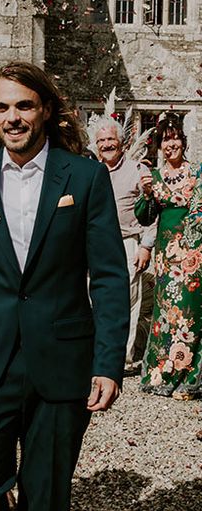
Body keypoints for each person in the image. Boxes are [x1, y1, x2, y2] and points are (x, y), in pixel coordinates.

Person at [0, 61, 130, 511]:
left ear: (46, 110)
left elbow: (111, 277)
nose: (13, 117)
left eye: (24, 105)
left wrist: (108, 363)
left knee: (47, 494)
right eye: (2, 106)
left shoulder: (87, 176)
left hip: (62, 358)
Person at [134, 114, 202, 400]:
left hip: (194, 252)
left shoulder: (197, 172)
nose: (170, 144)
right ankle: (164, 371)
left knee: (192, 312)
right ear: (160, 146)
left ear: (183, 141)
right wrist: (147, 195)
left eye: (174, 138)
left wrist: (192, 244)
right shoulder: (156, 177)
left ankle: (192, 376)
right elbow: (144, 216)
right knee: (166, 314)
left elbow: (199, 211)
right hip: (166, 255)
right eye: (164, 140)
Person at [92, 118, 155, 370]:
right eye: (101, 140)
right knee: (92, 299)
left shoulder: (138, 170)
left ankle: (122, 358)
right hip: (94, 244)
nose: (106, 144)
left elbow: (152, 210)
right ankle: (96, 354)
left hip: (127, 242)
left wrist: (146, 246)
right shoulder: (90, 170)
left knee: (127, 301)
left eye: (110, 139)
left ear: (122, 142)